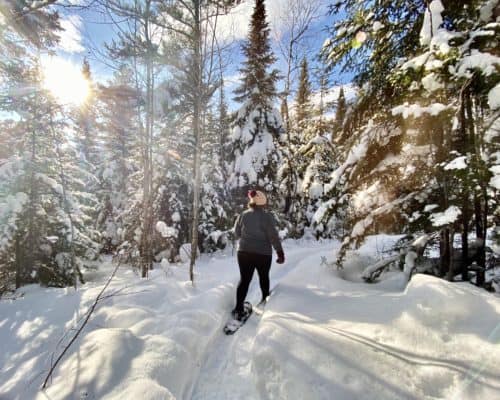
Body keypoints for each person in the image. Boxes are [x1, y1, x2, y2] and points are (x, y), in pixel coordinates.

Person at [232, 189, 285, 320]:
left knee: (244, 280)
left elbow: (237, 233)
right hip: (263, 254)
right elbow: (273, 236)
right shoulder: (267, 217)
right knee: (263, 277)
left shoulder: (243, 215)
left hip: (243, 252)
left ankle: (239, 308)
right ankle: (265, 301)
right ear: (263, 203)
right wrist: (280, 252)